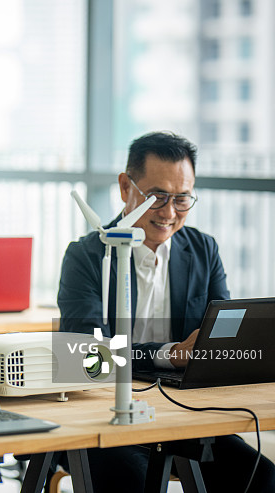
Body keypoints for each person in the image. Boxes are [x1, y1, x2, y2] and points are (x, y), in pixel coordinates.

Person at [57, 131, 275, 492]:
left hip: (183, 414)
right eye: (157, 197)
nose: (169, 213)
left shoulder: (203, 250)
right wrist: (170, 354)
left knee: (261, 477)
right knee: (135, 481)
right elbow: (89, 358)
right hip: (103, 418)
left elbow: (219, 341)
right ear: (125, 187)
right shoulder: (88, 257)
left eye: (182, 198)